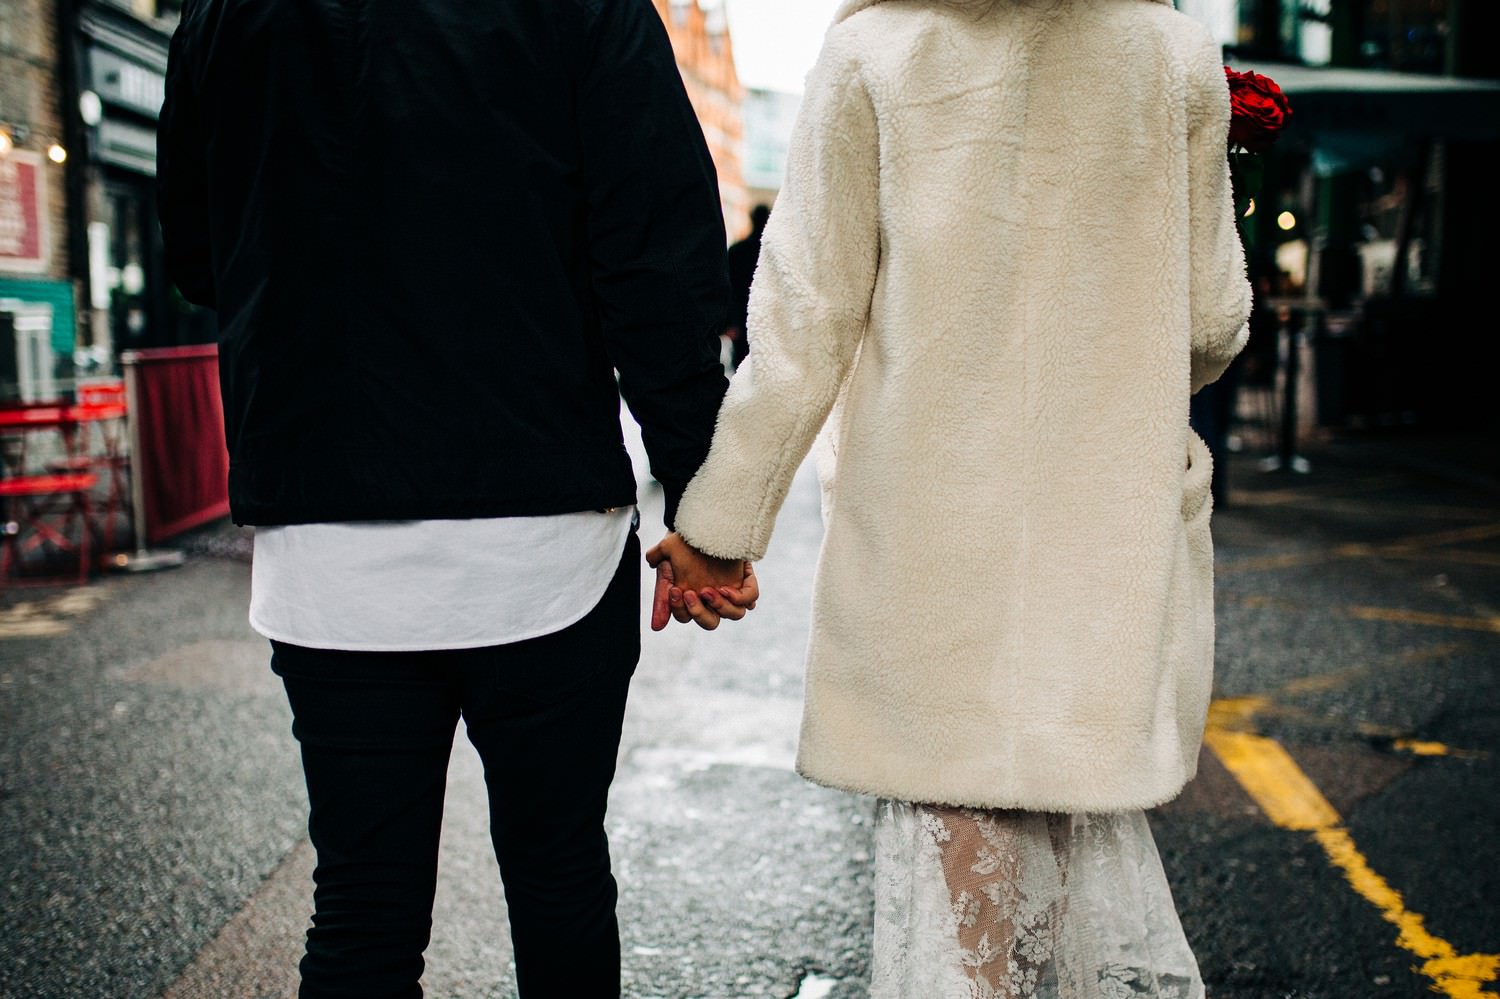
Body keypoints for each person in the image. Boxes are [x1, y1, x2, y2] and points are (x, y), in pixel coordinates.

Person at [649, 0, 1251, 994]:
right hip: (1100, 556)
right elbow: (1211, 325)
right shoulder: (1174, 54)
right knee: (1079, 889)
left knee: (960, 927)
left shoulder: (870, 54)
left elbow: (804, 322)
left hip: (933, 563)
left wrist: (718, 531)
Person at [157, 0, 755, 995]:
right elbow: (656, 264)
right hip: (540, 527)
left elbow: (194, 253)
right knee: (558, 875)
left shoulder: (227, 15)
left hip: (327, 532)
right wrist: (706, 509)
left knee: (361, 909)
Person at [726, 203, 772, 370]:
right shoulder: (772, 252)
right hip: (767, 318)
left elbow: (729, 289)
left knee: (741, 366)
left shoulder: (736, 251)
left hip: (742, 318)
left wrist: (730, 322)